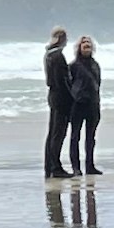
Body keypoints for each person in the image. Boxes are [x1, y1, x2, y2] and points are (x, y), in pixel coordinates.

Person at [66, 32, 105, 175]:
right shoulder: (73, 66)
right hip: (77, 104)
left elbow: (98, 85)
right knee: (75, 136)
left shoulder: (95, 65)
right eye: (84, 43)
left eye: (89, 43)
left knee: (91, 137)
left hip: (93, 104)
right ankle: (75, 167)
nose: (87, 45)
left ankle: (90, 166)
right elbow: (68, 85)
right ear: (79, 47)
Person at [42, 28, 76, 179]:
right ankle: (55, 166)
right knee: (58, 133)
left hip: (53, 95)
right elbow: (62, 81)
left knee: (52, 133)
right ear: (62, 39)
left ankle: (49, 165)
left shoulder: (48, 54)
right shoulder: (58, 56)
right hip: (61, 97)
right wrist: (72, 97)